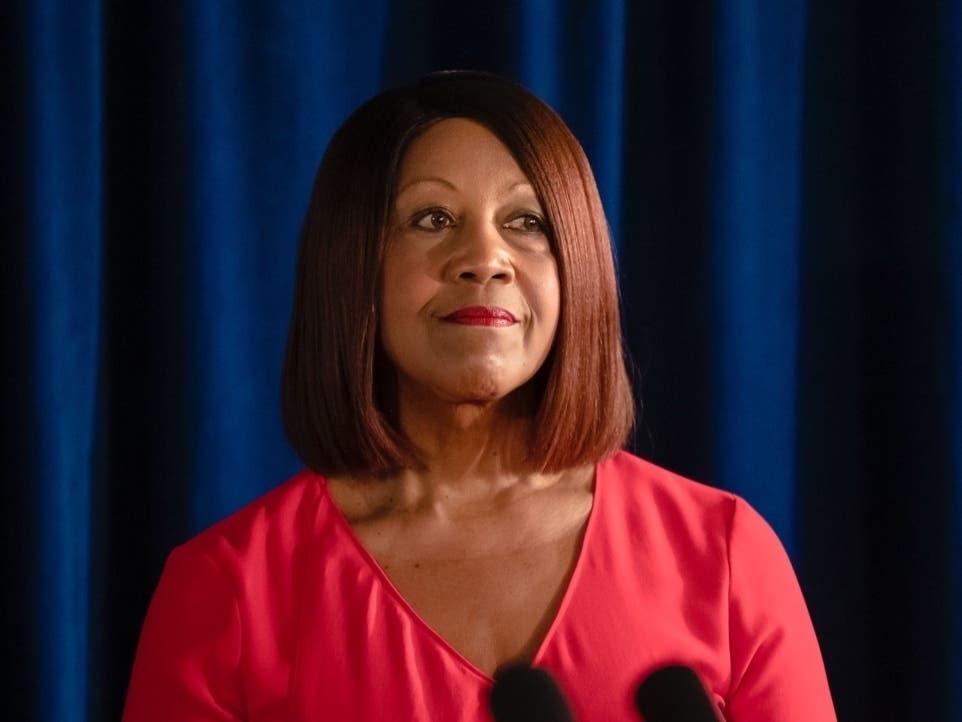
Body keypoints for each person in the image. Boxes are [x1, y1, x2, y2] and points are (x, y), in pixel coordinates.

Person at [121, 71, 836, 721]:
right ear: (352, 265)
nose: (485, 260)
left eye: (526, 222)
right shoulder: (227, 590)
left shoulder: (725, 554)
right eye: (431, 219)